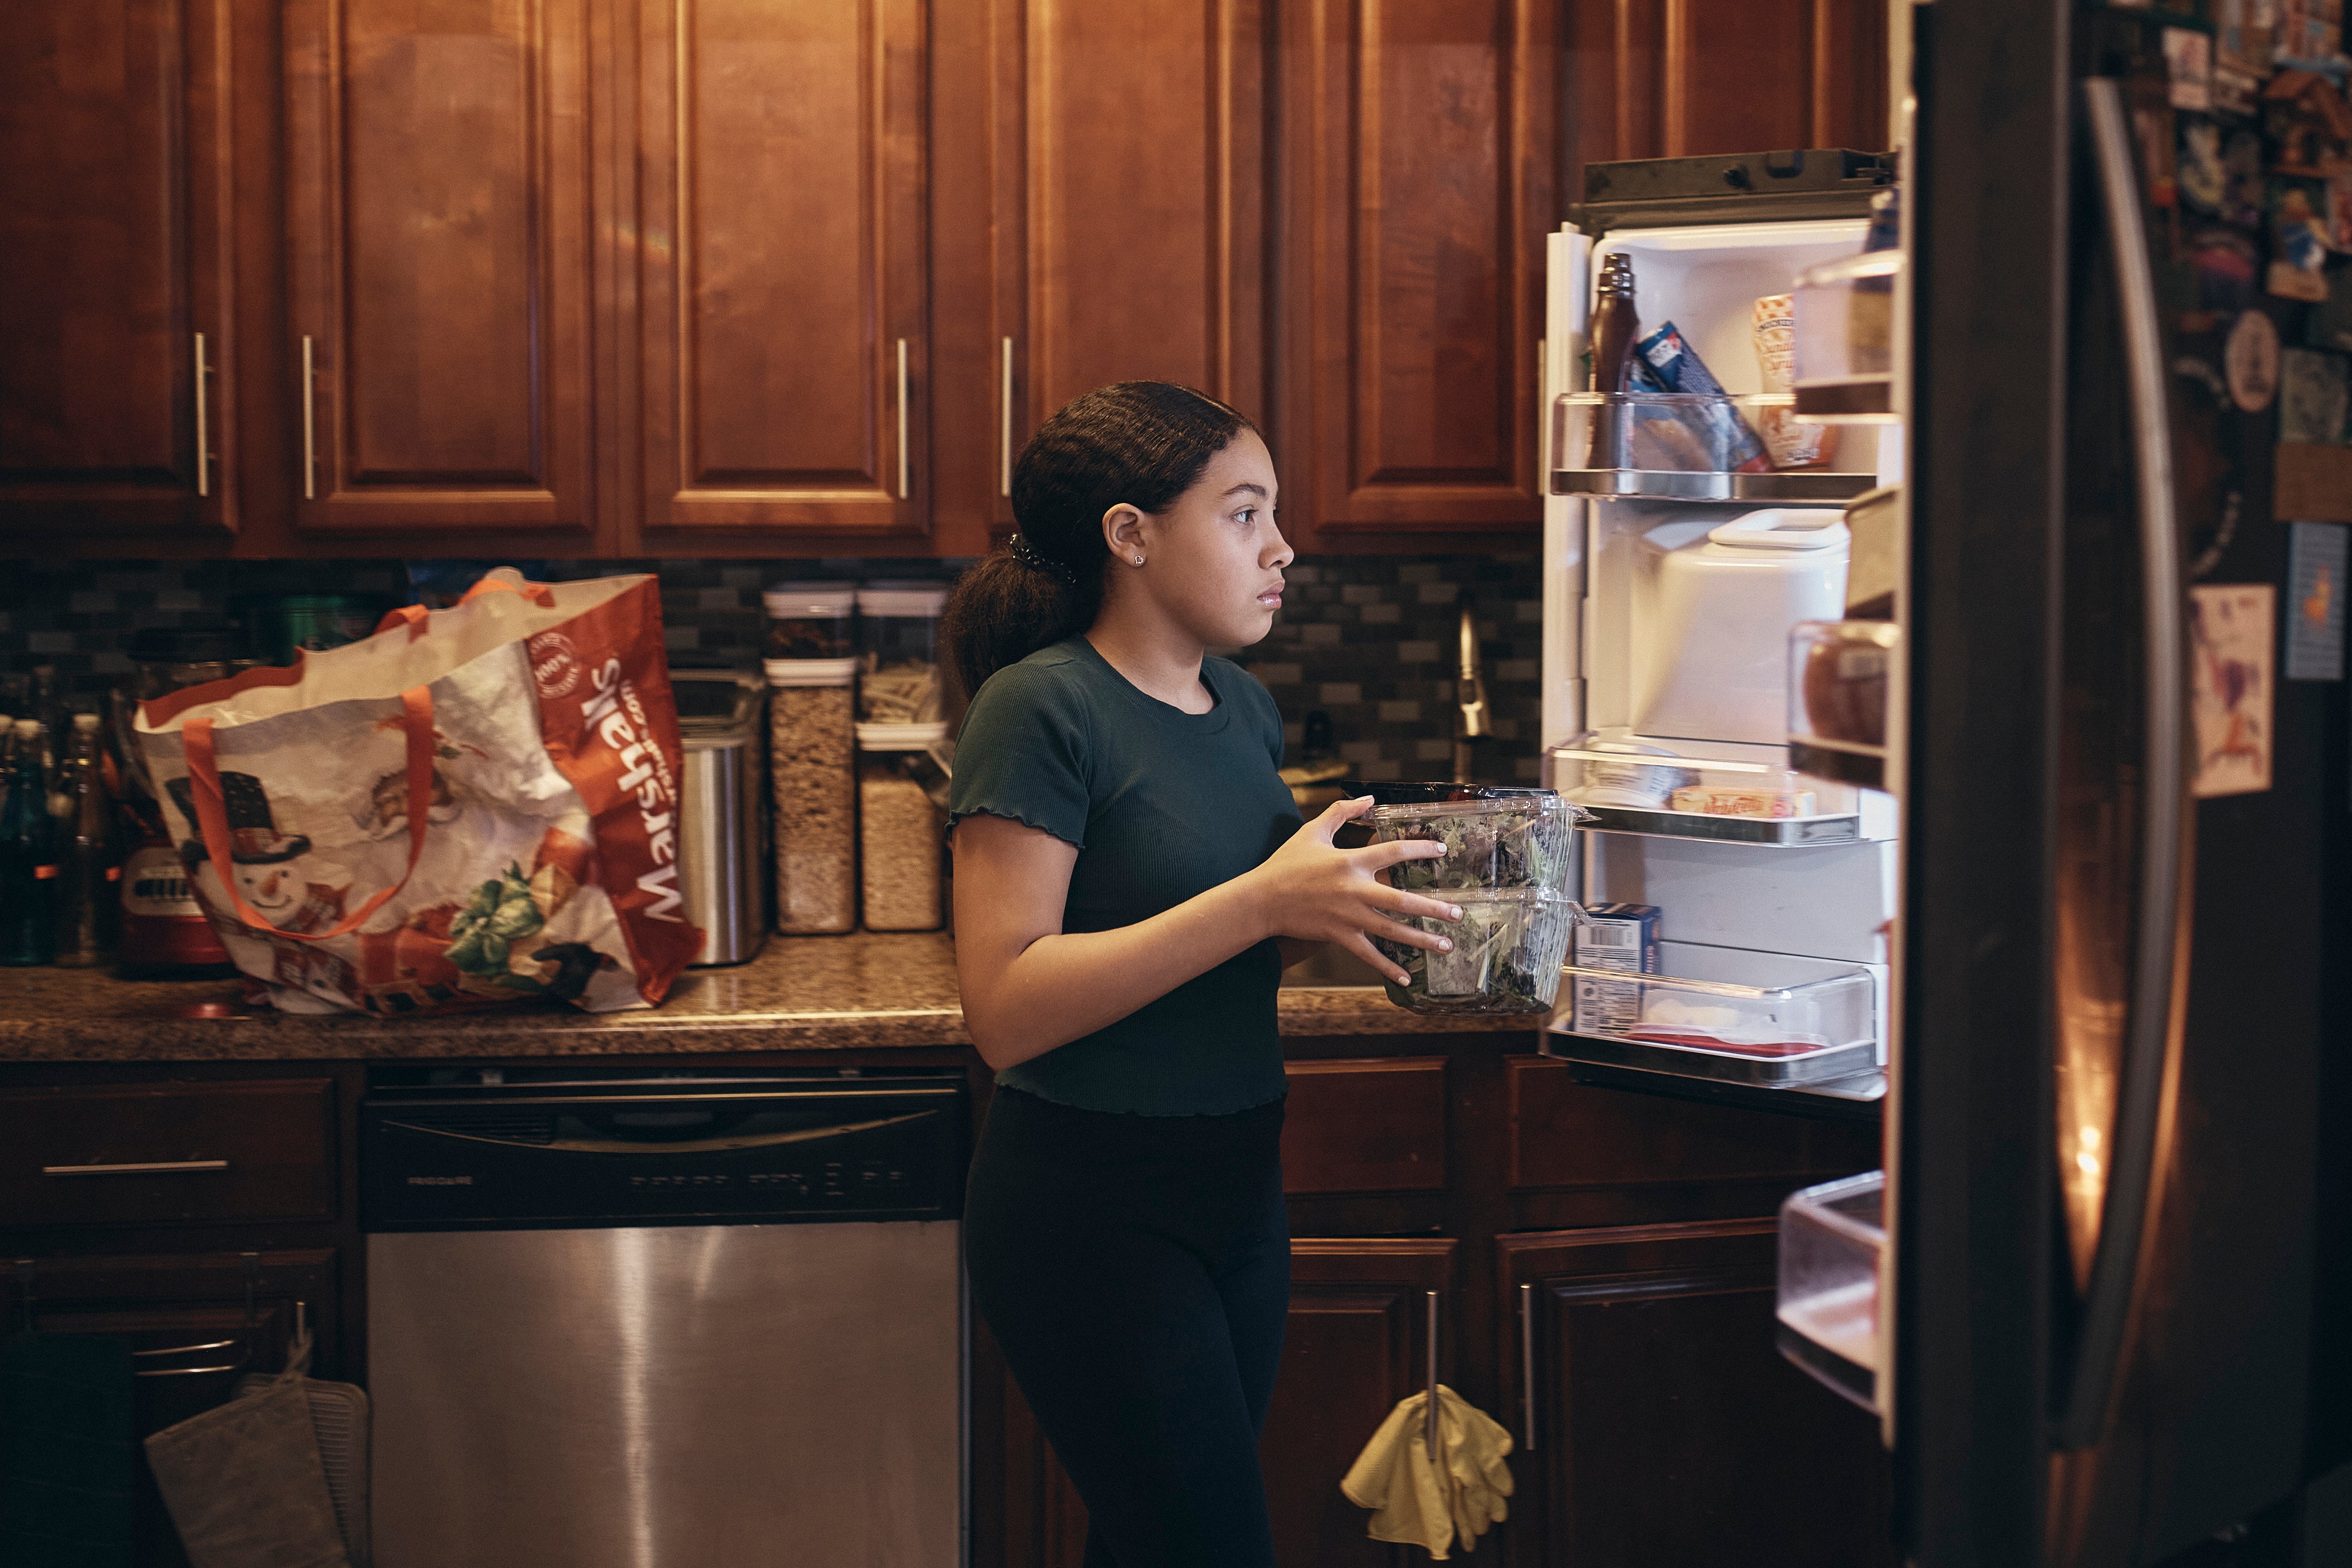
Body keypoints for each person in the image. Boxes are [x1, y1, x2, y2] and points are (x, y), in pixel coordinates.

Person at [943, 381, 1464, 1566]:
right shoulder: (1041, 708)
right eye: (1243, 514)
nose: (1283, 548)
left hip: (1235, 1188)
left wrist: (1340, 917)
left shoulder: (1241, 707)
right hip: (1088, 1206)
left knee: (1156, 1545)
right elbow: (1006, 1009)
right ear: (1131, 535)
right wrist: (1264, 901)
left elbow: (1217, 945)